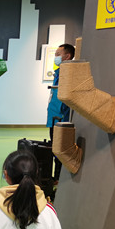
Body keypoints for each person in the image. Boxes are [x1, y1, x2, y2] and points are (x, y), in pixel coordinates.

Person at [47, 43, 75, 180]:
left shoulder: (69, 75)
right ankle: (56, 177)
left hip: (61, 118)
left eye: (58, 54)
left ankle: (59, 178)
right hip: (53, 118)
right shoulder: (58, 73)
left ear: (67, 56)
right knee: (54, 148)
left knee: (60, 150)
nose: (56, 57)